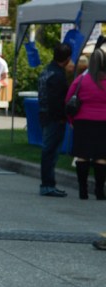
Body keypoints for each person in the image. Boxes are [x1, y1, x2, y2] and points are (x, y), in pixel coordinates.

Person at [67, 48, 106, 202]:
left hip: (82, 122)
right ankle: (99, 190)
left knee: (82, 156)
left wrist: (72, 121)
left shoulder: (81, 80)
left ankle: (82, 190)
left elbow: (69, 100)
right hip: (103, 123)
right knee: (101, 157)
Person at [38, 43, 73, 198]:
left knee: (48, 150)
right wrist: (61, 117)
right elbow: (57, 100)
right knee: (50, 151)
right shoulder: (58, 76)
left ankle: (48, 183)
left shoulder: (47, 71)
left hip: (44, 114)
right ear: (66, 59)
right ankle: (47, 184)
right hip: (54, 118)